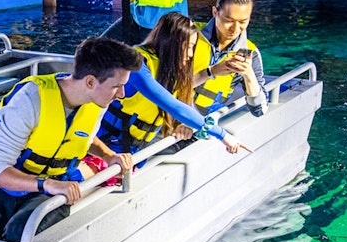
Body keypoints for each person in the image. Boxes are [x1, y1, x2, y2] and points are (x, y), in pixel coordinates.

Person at [0, 37, 142, 242]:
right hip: (11, 183)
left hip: (53, 185)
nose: (122, 94)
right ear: (90, 82)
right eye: (117, 86)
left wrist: (108, 155)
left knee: (21, 232)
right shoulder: (31, 100)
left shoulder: (98, 101)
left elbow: (82, 137)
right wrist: (47, 184)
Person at [98, 12, 244, 156]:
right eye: (188, 46)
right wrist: (223, 135)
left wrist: (185, 124)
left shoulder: (169, 69)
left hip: (133, 153)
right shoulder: (137, 65)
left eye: (193, 47)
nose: (191, 54)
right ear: (169, 43)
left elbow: (186, 107)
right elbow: (173, 106)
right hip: (104, 147)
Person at [189, 0, 268, 120]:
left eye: (243, 21)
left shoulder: (250, 53)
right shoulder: (189, 35)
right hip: (165, 120)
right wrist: (212, 72)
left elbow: (260, 110)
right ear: (215, 12)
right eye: (229, 20)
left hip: (199, 128)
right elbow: (163, 85)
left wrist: (248, 74)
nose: (236, 29)